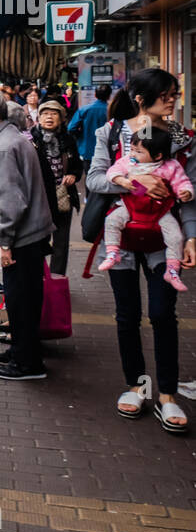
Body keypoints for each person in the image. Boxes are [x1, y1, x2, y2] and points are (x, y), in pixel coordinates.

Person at [85, 67, 195, 432]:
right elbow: (96, 179)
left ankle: (166, 395)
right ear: (141, 98)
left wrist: (191, 236)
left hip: (166, 240)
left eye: (174, 93)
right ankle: (136, 384)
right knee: (126, 314)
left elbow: (190, 194)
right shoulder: (111, 133)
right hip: (123, 238)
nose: (173, 99)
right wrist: (136, 181)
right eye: (166, 93)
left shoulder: (182, 138)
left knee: (163, 314)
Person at [0, 86, 54, 380]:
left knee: (22, 302)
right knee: (19, 301)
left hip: (23, 238)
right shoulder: (5, 139)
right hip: (29, 235)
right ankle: (19, 352)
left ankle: (28, 365)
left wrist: (3, 242)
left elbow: (11, 201)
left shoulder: (3, 146)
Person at [97, 127, 193, 290]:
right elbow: (112, 171)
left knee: (176, 237)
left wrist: (186, 192)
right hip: (131, 206)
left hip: (160, 210)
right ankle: (113, 252)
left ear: (158, 155)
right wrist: (123, 181)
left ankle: (172, 269)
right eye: (132, 149)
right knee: (112, 221)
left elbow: (182, 181)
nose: (133, 154)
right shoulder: (127, 161)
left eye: (138, 151)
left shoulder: (171, 166)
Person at [31, 100, 82, 277]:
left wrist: (74, 175)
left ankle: (57, 278)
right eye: (45, 113)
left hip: (62, 196)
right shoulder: (31, 138)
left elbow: (76, 164)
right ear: (38, 117)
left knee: (61, 241)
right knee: (39, 239)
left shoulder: (68, 140)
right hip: (39, 197)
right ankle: (39, 277)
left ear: (61, 119)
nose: (49, 117)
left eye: (54, 114)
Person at [67, 84, 111, 160]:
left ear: (95, 95)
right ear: (109, 96)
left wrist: (81, 137)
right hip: (107, 151)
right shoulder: (112, 111)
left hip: (87, 150)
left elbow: (71, 128)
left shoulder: (84, 109)